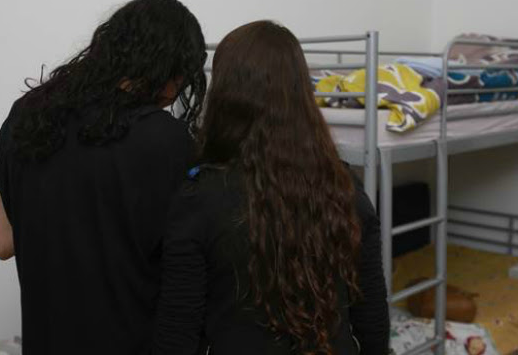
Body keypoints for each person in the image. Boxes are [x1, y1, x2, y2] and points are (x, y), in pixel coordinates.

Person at [154, 20, 389, 355]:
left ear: (224, 96)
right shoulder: (346, 188)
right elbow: (373, 325)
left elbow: (177, 336)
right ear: (301, 94)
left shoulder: (199, 200)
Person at [0, 0, 206, 354]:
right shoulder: (166, 141)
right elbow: (186, 279)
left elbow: (1, 242)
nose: (174, 95)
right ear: (167, 67)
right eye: (181, 79)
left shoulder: (29, 116)